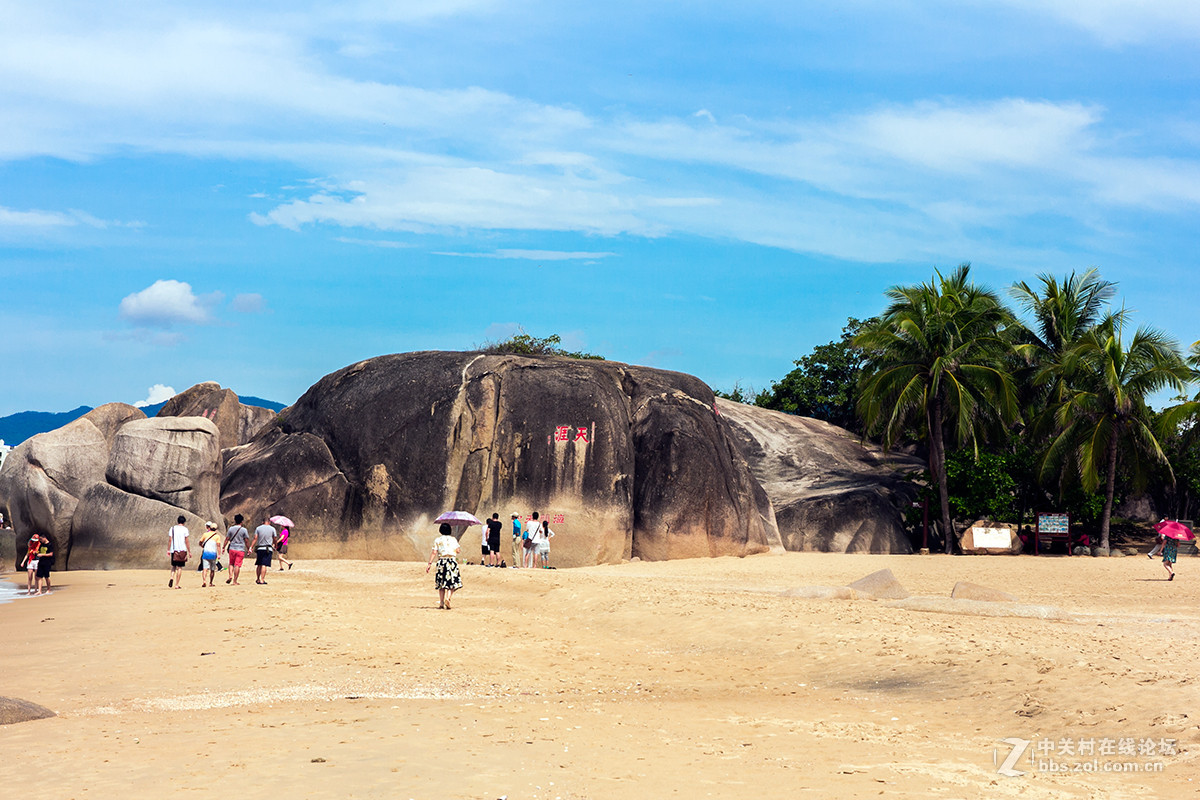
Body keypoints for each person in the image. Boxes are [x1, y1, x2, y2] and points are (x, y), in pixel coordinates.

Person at [426, 522, 462, 609]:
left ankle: (441, 602)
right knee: (452, 582)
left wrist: (429, 563)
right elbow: (458, 551)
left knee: (441, 583)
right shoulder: (454, 539)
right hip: (452, 562)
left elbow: (434, 552)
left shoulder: (438, 540)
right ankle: (448, 598)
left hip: (442, 562)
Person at [224, 514, 251, 585]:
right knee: (237, 565)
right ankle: (235, 581)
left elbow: (227, 539)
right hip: (240, 549)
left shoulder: (231, 529)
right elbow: (246, 540)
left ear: (235, 521)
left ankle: (230, 576)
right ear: (242, 521)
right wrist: (249, 548)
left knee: (231, 563)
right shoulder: (244, 530)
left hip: (232, 548)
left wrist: (223, 547)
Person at [253, 516, 277, 584]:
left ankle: (257, 579)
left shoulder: (258, 528)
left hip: (260, 548)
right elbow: (275, 538)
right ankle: (262, 580)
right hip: (268, 549)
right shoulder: (272, 529)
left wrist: (251, 546)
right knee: (264, 564)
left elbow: (255, 538)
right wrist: (275, 545)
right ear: (269, 522)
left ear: (262, 522)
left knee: (259, 564)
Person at [168, 516, 189, 589]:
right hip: (182, 550)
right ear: (184, 522)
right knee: (179, 567)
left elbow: (170, 540)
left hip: (174, 550)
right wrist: (189, 551)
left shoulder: (172, 528)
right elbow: (186, 541)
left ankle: (171, 577)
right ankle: (177, 584)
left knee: (173, 566)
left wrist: (168, 550)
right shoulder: (185, 529)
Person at [199, 522, 221, 588]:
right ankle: (211, 582)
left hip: (205, 553)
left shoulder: (205, 534)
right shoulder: (217, 536)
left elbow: (200, 542)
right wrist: (219, 554)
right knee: (212, 569)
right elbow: (218, 545)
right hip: (213, 554)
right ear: (216, 529)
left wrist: (202, 546)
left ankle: (204, 581)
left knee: (205, 569)